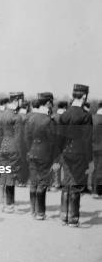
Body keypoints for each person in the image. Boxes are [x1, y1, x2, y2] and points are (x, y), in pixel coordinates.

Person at [56, 84, 92, 227]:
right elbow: (87, 139)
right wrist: (90, 160)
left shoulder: (64, 115)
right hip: (79, 154)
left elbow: (59, 138)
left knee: (67, 184)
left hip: (65, 153)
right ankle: (73, 218)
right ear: (84, 96)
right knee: (76, 185)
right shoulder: (85, 116)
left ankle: (63, 215)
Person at [24, 92, 57, 220]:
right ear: (48, 103)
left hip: (32, 152)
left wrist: (30, 150)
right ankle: (40, 212)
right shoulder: (49, 120)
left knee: (33, 181)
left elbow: (26, 138)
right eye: (51, 102)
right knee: (42, 182)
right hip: (44, 154)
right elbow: (53, 141)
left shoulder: (31, 118)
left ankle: (33, 210)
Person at [0, 92, 24, 213]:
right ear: (16, 100)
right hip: (13, 148)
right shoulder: (17, 117)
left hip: (2, 147)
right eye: (21, 100)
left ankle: (3, 202)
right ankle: (10, 204)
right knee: (11, 176)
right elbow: (19, 138)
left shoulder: (1, 115)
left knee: (4, 175)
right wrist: (20, 152)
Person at [92, 102, 102, 199]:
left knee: (95, 169)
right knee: (99, 169)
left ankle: (95, 190)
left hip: (93, 146)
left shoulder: (92, 118)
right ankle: (97, 191)